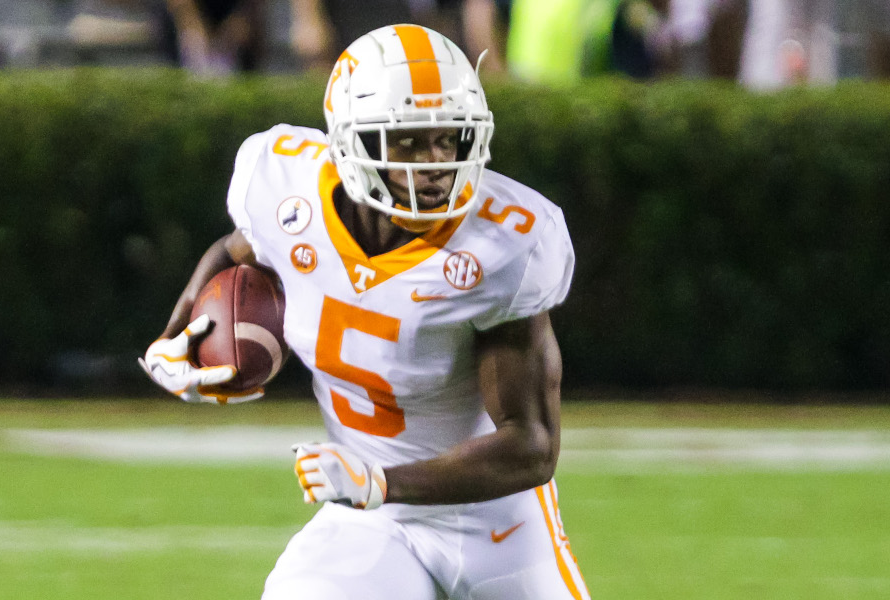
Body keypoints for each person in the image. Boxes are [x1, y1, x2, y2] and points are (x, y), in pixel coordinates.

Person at [139, 24, 588, 600]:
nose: (435, 165)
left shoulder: (504, 244)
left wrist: (379, 481)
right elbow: (237, 249)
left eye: (449, 140)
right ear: (351, 144)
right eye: (408, 141)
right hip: (369, 521)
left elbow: (530, 444)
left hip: (495, 521)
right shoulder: (287, 190)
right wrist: (175, 338)